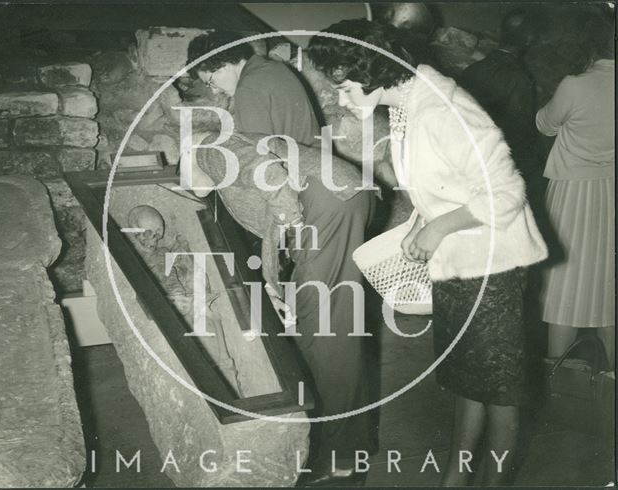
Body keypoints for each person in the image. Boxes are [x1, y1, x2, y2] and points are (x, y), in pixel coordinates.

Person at [308, 19, 548, 485]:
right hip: (461, 263)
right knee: (466, 379)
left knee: (500, 391)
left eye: (343, 85)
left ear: (373, 70)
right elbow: (427, 173)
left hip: (493, 263)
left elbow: (507, 191)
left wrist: (438, 227)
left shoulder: (443, 109)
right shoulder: (407, 102)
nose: (339, 97)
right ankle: (455, 480)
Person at [185, 129, 378, 486]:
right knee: (330, 328)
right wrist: (275, 285)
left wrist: (294, 227)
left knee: (325, 336)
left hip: (327, 205)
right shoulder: (227, 144)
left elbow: (272, 181)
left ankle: (342, 460)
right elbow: (272, 224)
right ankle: (349, 447)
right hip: (338, 199)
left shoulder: (208, 148)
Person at [536, 9, 615, 366]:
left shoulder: (575, 84)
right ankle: (610, 386)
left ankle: (560, 387)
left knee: (564, 289)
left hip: (570, 194)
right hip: (610, 193)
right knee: (607, 289)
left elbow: (544, 124)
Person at [459, 9, 544, 204]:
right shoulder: (519, 78)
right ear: (529, 40)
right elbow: (522, 131)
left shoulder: (473, 69)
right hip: (501, 164)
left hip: (472, 158)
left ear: (501, 33)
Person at [187, 31, 320, 146]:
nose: (214, 90)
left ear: (224, 65)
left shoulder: (248, 88)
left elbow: (256, 154)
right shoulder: (274, 67)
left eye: (210, 82)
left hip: (301, 170)